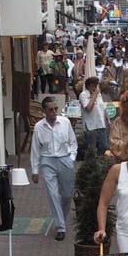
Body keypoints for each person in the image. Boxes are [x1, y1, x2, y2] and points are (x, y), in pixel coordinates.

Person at [30, 96, 78, 241]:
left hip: (64, 159)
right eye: (50, 109)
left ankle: (60, 218)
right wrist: (35, 170)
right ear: (44, 111)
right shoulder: (39, 127)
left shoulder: (65, 122)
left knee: (67, 194)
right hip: (47, 161)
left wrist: (71, 158)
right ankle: (60, 227)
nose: (54, 112)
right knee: (53, 194)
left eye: (56, 109)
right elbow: (35, 149)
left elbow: (73, 142)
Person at [80, 77, 110, 155]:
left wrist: (108, 119)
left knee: (104, 146)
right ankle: (92, 162)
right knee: (91, 148)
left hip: (101, 123)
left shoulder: (99, 95)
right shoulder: (83, 95)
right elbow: (88, 108)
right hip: (90, 125)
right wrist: (94, 96)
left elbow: (103, 107)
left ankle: (99, 159)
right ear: (90, 85)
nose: (96, 87)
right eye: (94, 85)